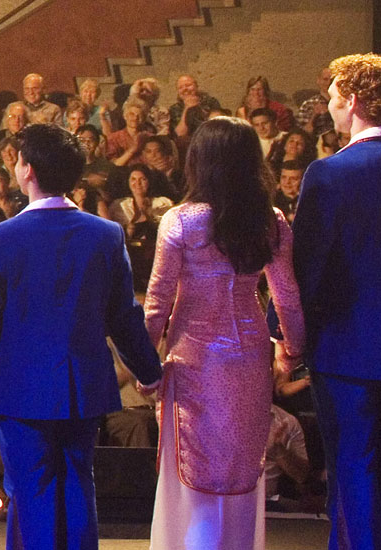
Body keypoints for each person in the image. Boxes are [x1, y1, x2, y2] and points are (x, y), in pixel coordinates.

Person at [0, 123, 165, 549]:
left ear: (25, 170)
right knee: (79, 486)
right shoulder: (106, 234)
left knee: (32, 491)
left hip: (21, 388)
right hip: (83, 385)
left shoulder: (1, 238)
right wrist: (149, 373)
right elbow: (123, 317)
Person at [143, 116, 307, 549]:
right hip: (250, 356)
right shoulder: (270, 221)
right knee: (239, 468)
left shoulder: (180, 221)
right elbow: (286, 297)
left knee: (195, 473)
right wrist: (290, 351)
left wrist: (145, 369)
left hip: (194, 360)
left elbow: (157, 303)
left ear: (200, 160)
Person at [294, 53, 381, 550]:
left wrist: (288, 334)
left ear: (354, 101)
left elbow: (310, 267)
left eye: (334, 97)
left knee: (353, 469)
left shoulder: (329, 174)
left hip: (346, 350)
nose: (330, 107)